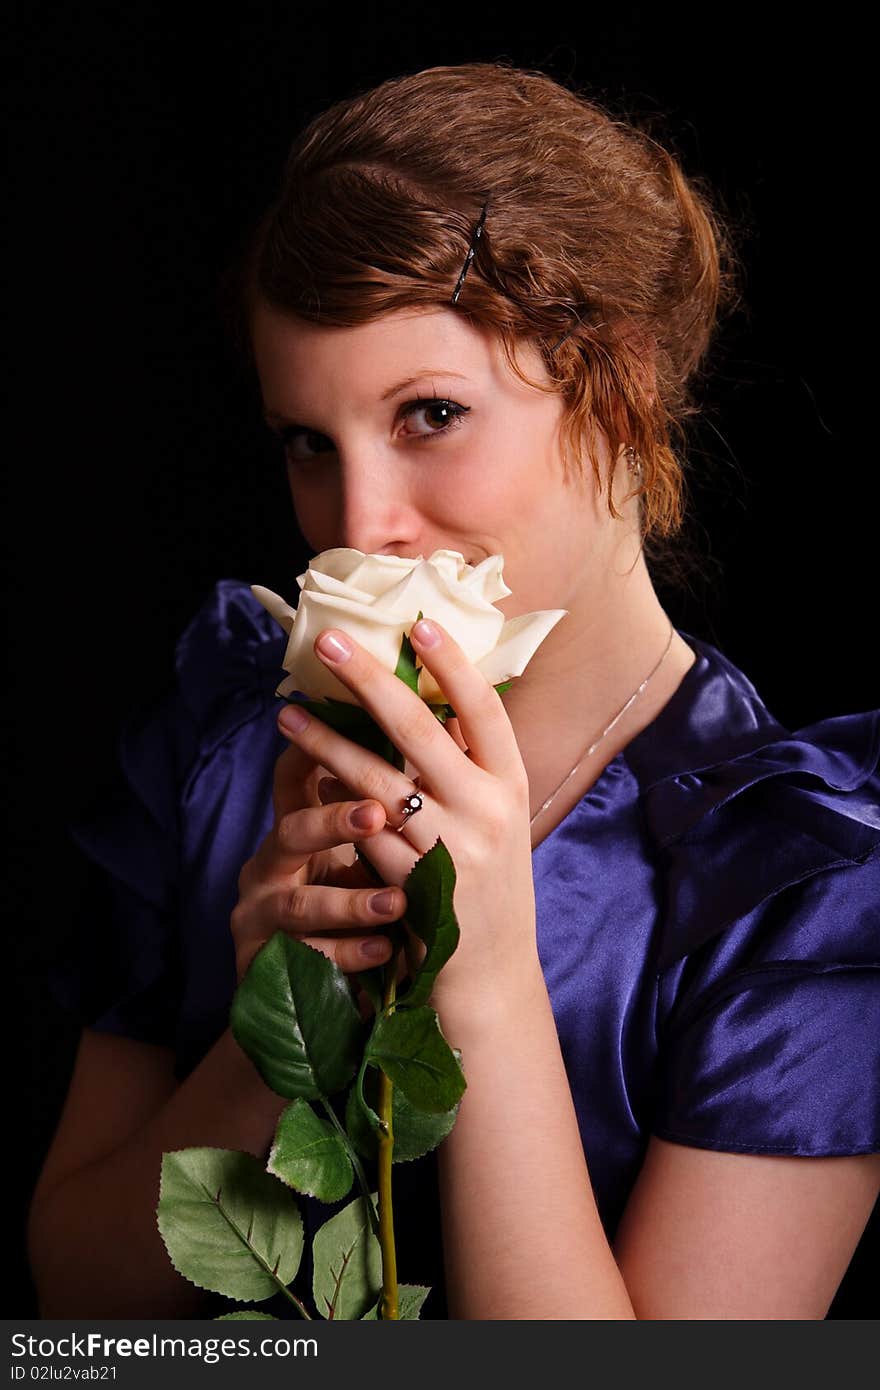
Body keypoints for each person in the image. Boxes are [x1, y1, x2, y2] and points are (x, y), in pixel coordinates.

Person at [28, 60, 880, 1320]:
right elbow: (76, 1311)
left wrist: (484, 984)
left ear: (622, 389)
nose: (359, 528)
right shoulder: (217, 758)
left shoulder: (800, 884)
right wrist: (271, 1039)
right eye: (310, 443)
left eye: (429, 413)